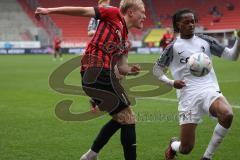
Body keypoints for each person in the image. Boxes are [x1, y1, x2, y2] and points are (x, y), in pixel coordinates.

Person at [35, 1, 146, 160]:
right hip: (96, 70)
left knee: (121, 118)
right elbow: (82, 11)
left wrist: (130, 71)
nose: (145, 16)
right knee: (128, 117)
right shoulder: (113, 14)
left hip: (97, 76)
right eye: (142, 12)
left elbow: (122, 68)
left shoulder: (125, 41)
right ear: (130, 12)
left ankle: (91, 155)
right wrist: (50, 10)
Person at [153, 8, 239, 160]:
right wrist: (172, 82)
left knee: (227, 114)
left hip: (209, 89)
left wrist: (239, 40)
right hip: (188, 96)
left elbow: (232, 56)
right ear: (178, 25)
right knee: (186, 148)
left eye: (193, 21)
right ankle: (173, 145)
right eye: (186, 22)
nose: (191, 25)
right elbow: (156, 71)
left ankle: (207, 157)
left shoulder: (206, 41)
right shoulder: (172, 47)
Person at [87, 0, 111, 112]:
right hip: (97, 51)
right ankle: (98, 99)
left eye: (108, 4)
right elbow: (89, 33)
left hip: (109, 50)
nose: (106, 6)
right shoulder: (95, 18)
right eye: (104, 4)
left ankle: (96, 99)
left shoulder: (111, 15)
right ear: (99, 4)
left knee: (114, 74)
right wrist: (101, 31)